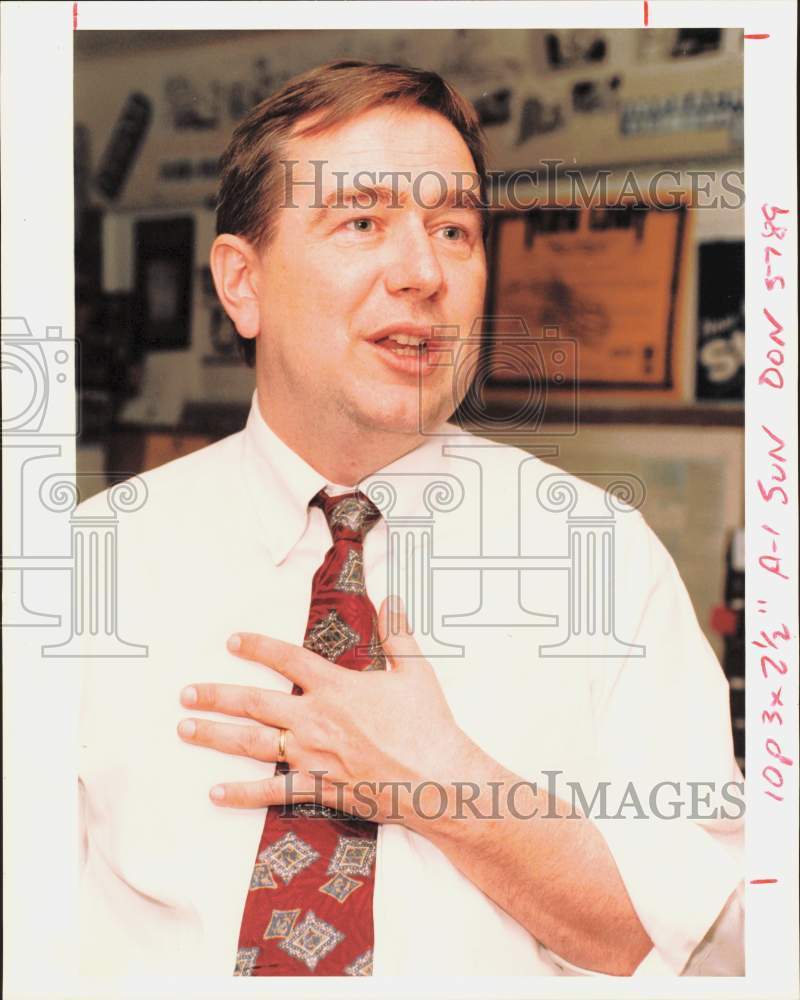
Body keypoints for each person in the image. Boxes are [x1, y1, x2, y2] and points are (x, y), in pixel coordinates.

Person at [78, 60, 744, 980]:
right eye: (362, 221)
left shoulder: (604, 562)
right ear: (242, 283)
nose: (424, 271)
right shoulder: (91, 560)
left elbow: (709, 937)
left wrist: (445, 785)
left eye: (455, 230)